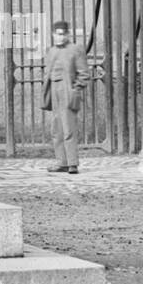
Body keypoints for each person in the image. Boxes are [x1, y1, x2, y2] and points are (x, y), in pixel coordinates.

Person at [42, 20, 89, 174]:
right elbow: (47, 73)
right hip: (54, 90)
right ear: (53, 34)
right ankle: (61, 162)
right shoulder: (51, 51)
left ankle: (72, 163)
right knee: (56, 129)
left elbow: (84, 74)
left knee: (69, 128)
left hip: (68, 91)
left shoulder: (75, 49)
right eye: (57, 34)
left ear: (68, 34)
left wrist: (75, 90)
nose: (60, 37)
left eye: (63, 34)